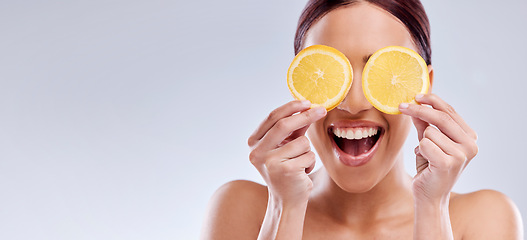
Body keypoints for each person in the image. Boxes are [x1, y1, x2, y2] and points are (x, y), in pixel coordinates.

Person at [201, 0, 524, 239]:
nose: (353, 104)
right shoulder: (242, 208)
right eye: (330, 72)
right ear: (301, 83)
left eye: (379, 72)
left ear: (423, 85)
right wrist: (283, 209)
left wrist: (432, 207)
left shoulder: (484, 218)